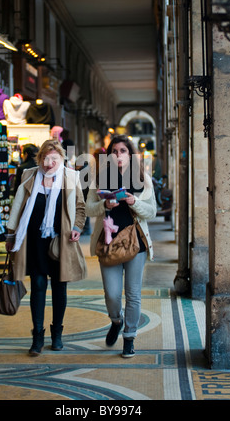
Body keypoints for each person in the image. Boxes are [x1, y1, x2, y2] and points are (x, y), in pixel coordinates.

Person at [6, 140, 87, 356]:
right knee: (39, 284)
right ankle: (38, 337)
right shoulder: (29, 175)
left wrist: (78, 227)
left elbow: (80, 206)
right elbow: (18, 205)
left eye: (54, 158)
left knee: (60, 287)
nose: (49, 163)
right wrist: (11, 233)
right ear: (40, 158)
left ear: (61, 159)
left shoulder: (70, 177)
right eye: (45, 158)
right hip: (33, 241)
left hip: (61, 241)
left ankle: (57, 334)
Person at [86, 135, 156, 358]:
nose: (118, 155)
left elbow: (152, 211)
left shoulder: (142, 178)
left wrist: (135, 202)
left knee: (133, 294)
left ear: (130, 154)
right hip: (108, 242)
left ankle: (129, 337)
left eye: (123, 151)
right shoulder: (99, 178)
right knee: (112, 294)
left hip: (136, 243)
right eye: (114, 151)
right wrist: (104, 204)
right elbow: (88, 208)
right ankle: (116, 321)